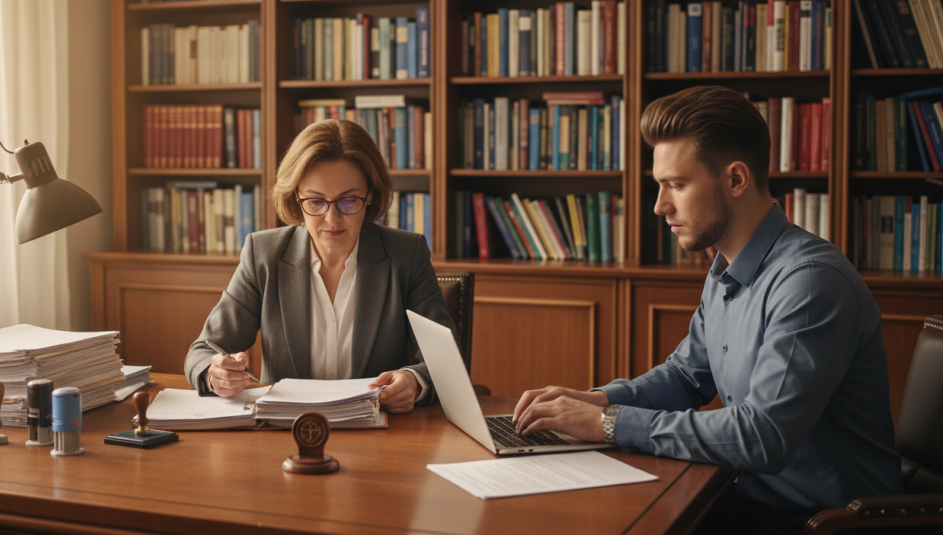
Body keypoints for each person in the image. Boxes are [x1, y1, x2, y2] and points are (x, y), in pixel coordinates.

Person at [512, 86, 903, 533]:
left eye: (676, 185)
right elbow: (685, 376)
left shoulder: (810, 282)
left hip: (822, 524)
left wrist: (607, 423)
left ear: (735, 180)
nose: (660, 206)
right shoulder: (725, 269)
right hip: (752, 503)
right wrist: (596, 399)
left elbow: (762, 437)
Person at [185, 119, 457, 413]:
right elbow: (202, 351)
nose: (332, 219)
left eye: (349, 200)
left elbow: (448, 364)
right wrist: (214, 374)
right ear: (295, 197)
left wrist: (414, 381)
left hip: (377, 433)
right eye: (315, 201)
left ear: (370, 196)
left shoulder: (406, 254)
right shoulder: (263, 254)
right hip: (283, 433)